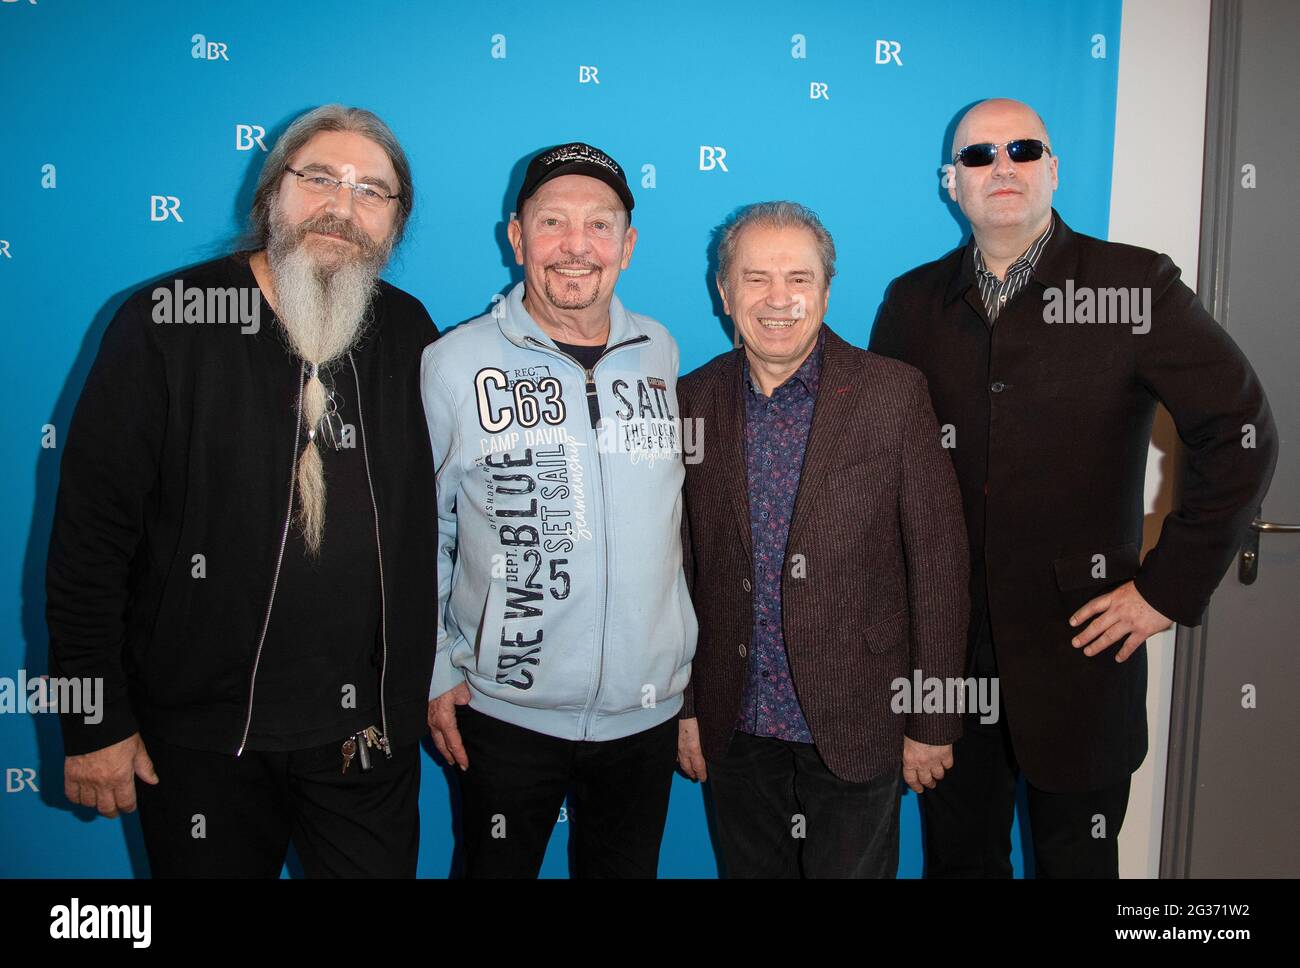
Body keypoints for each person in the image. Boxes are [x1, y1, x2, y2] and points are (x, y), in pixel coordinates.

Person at [869, 98, 1278, 877]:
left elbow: (1242, 434)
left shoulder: (1135, 287)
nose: (1003, 168)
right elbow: (884, 480)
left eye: (1023, 149)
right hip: (949, 665)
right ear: (950, 183)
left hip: (1084, 659)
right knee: (958, 864)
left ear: (1052, 169)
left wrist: (1164, 592)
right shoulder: (911, 304)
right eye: (979, 156)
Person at [47, 104, 439, 877]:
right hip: (199, 745)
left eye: (373, 191)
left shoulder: (409, 331)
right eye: (319, 177)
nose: (342, 206)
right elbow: (90, 541)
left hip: (366, 742)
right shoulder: (167, 320)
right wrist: (92, 723)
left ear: (395, 223)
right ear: (271, 193)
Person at [421, 142, 696, 878]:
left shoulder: (662, 353)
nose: (577, 247)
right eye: (552, 223)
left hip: (644, 718)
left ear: (628, 245)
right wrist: (432, 667)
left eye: (599, 225)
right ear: (517, 237)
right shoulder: (452, 365)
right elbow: (420, 531)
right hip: (504, 717)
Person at [676, 201, 970, 878]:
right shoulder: (691, 400)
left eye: (799, 278)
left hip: (859, 715)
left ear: (827, 289)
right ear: (724, 292)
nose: (778, 299)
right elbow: (677, 568)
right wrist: (684, 707)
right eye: (754, 278)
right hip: (735, 718)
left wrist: (933, 717)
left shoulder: (893, 394)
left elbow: (939, 563)